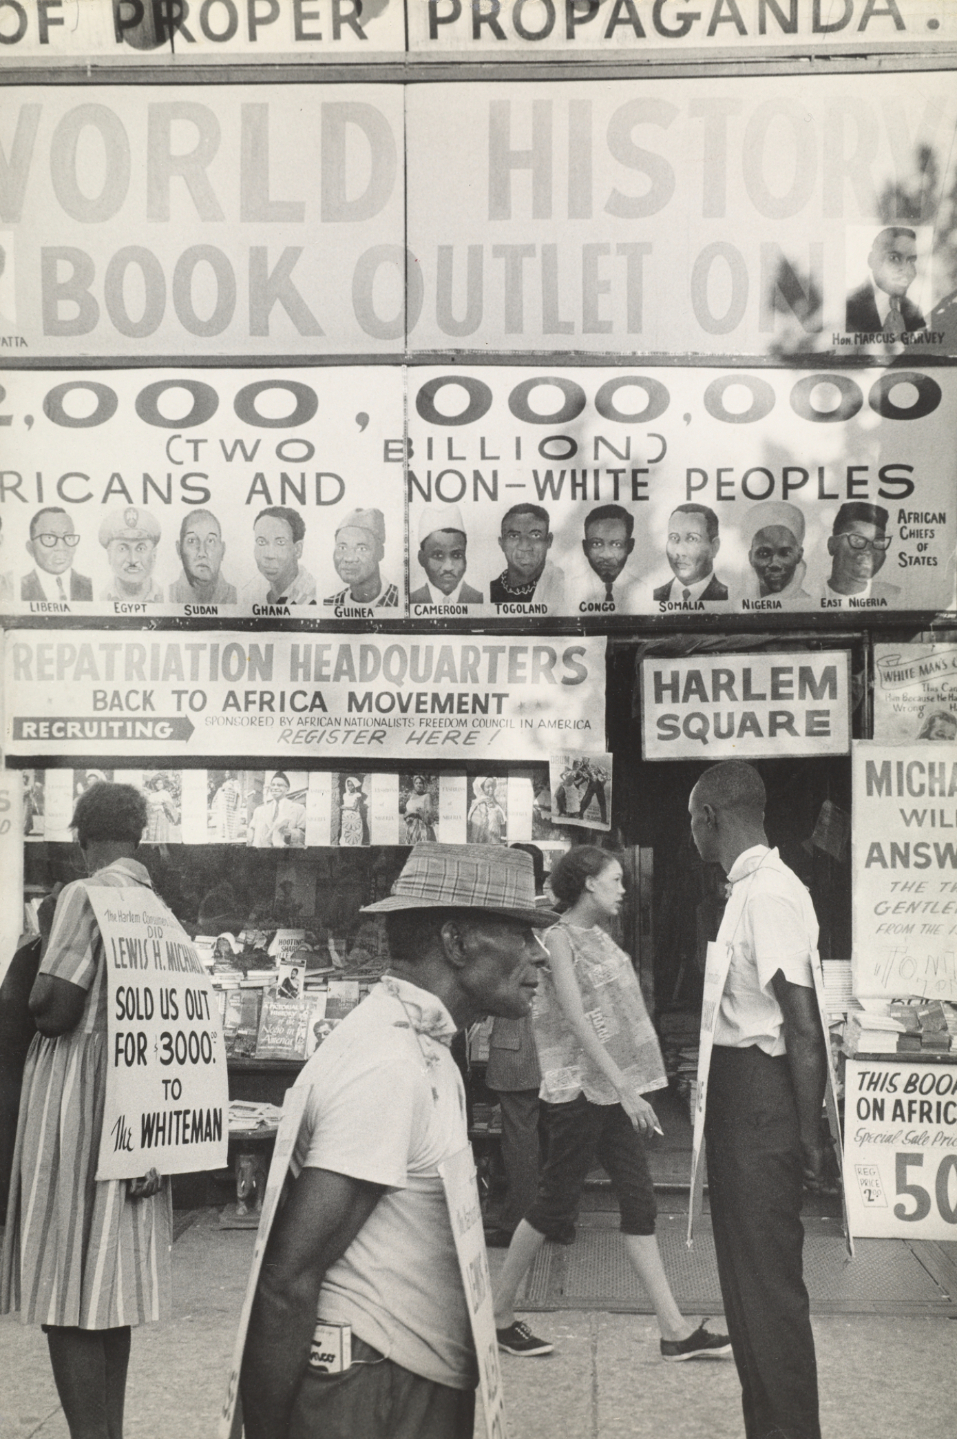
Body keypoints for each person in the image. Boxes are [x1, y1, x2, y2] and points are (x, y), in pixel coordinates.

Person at [239, 842, 557, 1439]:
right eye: (523, 933)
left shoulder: (424, 1044)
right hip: (371, 1389)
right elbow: (288, 1279)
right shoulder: (388, 1064)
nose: (541, 957)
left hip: (405, 1375)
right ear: (457, 942)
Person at [492, 846, 731, 1363]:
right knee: (555, 1202)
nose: (624, 888)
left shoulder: (598, 937)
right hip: (581, 1091)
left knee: (640, 1200)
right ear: (588, 885)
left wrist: (626, 1087)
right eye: (616, 879)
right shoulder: (557, 939)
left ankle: (673, 1330)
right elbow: (578, 1018)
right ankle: (498, 1315)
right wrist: (627, 1089)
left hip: (609, 1090)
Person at [0, 783, 171, 1439]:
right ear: (141, 836)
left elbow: (55, 1007)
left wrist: (40, 956)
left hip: (74, 1107)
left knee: (62, 1294)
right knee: (104, 1291)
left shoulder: (82, 894)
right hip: (131, 1110)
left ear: (79, 836)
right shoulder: (156, 908)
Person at [688, 761, 827, 1439]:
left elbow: (799, 1023)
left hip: (760, 1101)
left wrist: (807, 1135)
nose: (690, 828)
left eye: (692, 816)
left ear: (711, 815)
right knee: (747, 1292)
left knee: (765, 1294)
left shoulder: (768, 893)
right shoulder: (748, 889)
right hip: (743, 1094)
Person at [484, 844, 549, 1249]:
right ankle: (555, 1218)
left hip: (519, 1040)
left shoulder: (520, 923)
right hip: (547, 1044)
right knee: (550, 1134)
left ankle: (521, 1224)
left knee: (521, 1136)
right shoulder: (554, 917)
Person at [845, 226, 926, 337]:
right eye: (894, 258)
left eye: (911, 261)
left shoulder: (915, 313)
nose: (907, 271)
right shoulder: (847, 307)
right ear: (872, 260)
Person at [818, 501, 900, 602]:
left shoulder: (895, 597)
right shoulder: (812, 595)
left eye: (878, 541)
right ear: (832, 545)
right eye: (857, 540)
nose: (868, 550)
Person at [489, 503, 565, 609]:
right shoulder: (488, 592)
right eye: (514, 536)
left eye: (535, 535)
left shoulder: (566, 586)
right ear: (502, 543)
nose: (524, 546)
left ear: (549, 541)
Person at [324, 507, 399, 611]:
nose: (349, 558)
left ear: (380, 552)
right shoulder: (328, 605)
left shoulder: (399, 600)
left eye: (361, 549)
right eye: (342, 547)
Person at [738, 501, 812, 606]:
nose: (775, 563)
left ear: (799, 555)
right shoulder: (738, 602)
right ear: (751, 557)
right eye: (764, 554)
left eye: (785, 553)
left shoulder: (808, 605)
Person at [654, 503, 728, 604]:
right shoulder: (655, 596)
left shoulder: (727, 596)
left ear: (714, 547)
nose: (680, 552)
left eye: (692, 539)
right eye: (674, 538)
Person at [242, 506, 316, 606]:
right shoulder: (249, 592)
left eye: (280, 542)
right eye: (261, 542)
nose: (269, 555)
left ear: (297, 549)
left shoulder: (313, 597)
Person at [411, 503, 483, 605]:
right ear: (421, 558)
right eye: (438, 556)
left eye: (457, 555)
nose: (448, 567)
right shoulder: (412, 601)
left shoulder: (480, 600)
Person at [574, 503, 641, 611]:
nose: (606, 555)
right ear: (585, 548)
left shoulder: (643, 589)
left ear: (630, 546)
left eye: (616, 545)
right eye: (597, 544)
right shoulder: (569, 592)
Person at [21, 507, 93, 601]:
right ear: (30, 548)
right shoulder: (18, 588)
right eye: (49, 538)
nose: (61, 547)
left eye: (68, 537)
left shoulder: (90, 586)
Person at [168, 509, 237, 604]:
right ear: (179, 549)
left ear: (222, 550)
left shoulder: (237, 596)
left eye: (210, 541)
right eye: (192, 541)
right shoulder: (168, 596)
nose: (202, 553)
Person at [98, 507, 163, 602]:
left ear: (154, 555)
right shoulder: (99, 598)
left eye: (141, 548)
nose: (132, 560)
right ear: (109, 555)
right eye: (122, 549)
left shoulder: (168, 597)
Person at [247, 772, 306, 848]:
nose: (275, 787)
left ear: (287, 789)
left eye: (279, 785)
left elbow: (304, 836)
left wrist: (290, 833)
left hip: (286, 855)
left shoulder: (299, 809)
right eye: (273, 785)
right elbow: (252, 830)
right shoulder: (259, 811)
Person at [467, 777, 507, 845]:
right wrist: (468, 818)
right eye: (488, 787)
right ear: (482, 788)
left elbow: (498, 807)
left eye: (492, 786)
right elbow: (472, 809)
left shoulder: (493, 800)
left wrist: (504, 816)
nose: (491, 789)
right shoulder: (477, 802)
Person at [142, 773, 179, 843]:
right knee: (151, 837)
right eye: (157, 783)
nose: (158, 785)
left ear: (163, 784)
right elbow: (147, 807)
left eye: (160, 783)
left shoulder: (165, 793)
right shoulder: (152, 795)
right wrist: (152, 807)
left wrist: (161, 807)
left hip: (162, 818)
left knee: (161, 836)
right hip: (152, 819)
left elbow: (171, 808)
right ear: (154, 784)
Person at [210, 771, 245, 840]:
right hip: (225, 804)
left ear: (231, 774)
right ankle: (225, 834)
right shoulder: (225, 783)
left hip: (231, 804)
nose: (226, 775)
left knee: (231, 820)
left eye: (228, 773)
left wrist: (235, 803)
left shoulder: (235, 782)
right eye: (226, 773)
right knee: (224, 819)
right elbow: (222, 791)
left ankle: (231, 835)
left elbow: (237, 793)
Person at [402, 774, 436, 843]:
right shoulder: (411, 797)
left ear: (423, 785)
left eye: (420, 783)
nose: (418, 785)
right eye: (416, 783)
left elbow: (429, 817)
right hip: (410, 827)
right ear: (414, 785)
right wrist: (406, 815)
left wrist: (414, 812)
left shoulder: (426, 796)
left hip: (421, 829)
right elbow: (406, 812)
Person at [338, 776, 366, 846]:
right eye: (348, 785)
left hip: (354, 818)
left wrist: (343, 807)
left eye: (352, 785)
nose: (350, 787)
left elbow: (354, 807)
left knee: (355, 834)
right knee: (346, 835)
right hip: (346, 818)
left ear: (355, 785)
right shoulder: (345, 795)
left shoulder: (358, 795)